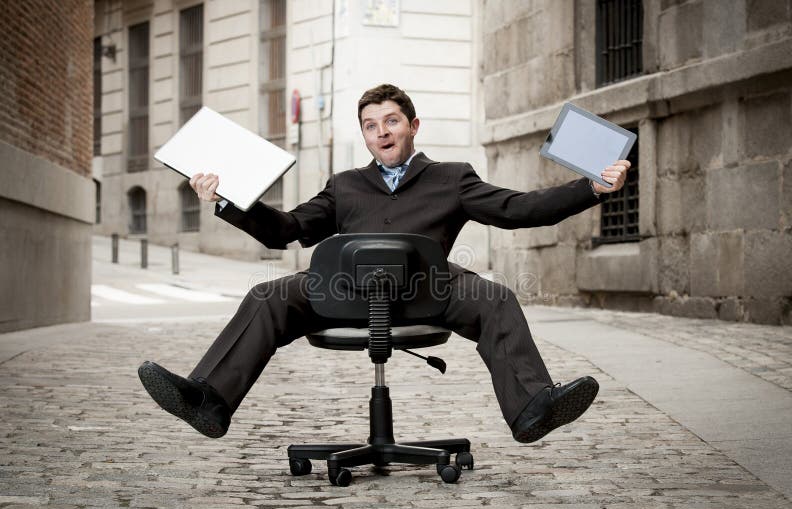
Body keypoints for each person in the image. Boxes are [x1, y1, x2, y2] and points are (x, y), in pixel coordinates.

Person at [139, 83, 630, 443]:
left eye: (391, 121)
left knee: (494, 297)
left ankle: (532, 408)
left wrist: (590, 188)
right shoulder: (345, 185)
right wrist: (226, 200)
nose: (381, 133)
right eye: (370, 126)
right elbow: (286, 229)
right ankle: (207, 400)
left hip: (428, 291)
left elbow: (518, 209)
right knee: (269, 295)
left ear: (413, 126)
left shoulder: (452, 178)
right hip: (346, 294)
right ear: (365, 135)